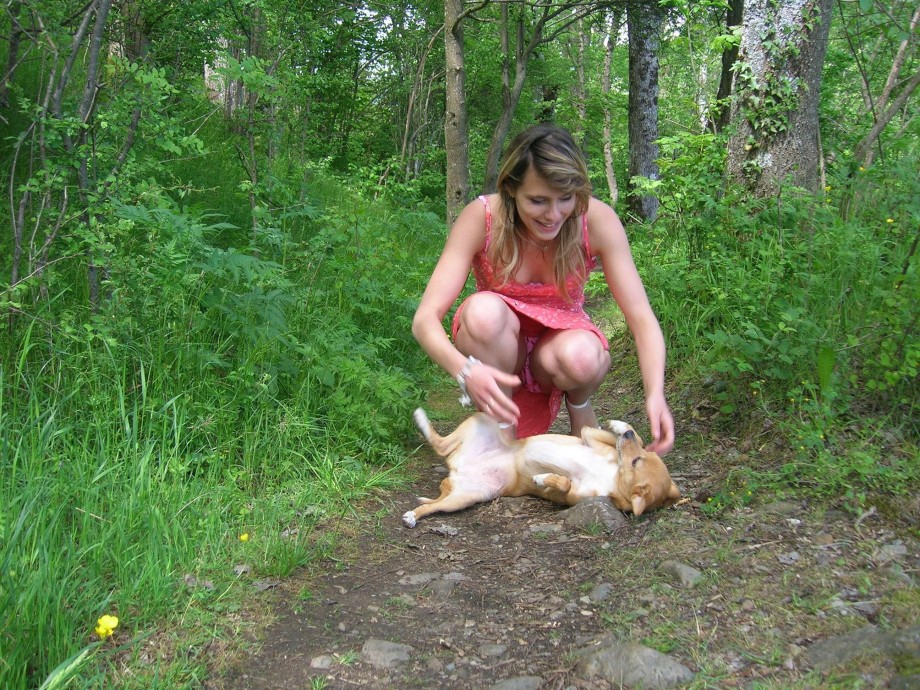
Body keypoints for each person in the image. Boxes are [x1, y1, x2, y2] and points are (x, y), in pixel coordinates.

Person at [412, 124, 674, 454]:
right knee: (482, 312)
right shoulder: (481, 218)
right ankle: (501, 434)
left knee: (582, 357)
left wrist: (655, 395)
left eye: (565, 199)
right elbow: (424, 320)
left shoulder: (596, 221)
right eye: (537, 200)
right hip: (500, 348)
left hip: (558, 351)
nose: (553, 215)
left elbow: (641, 318)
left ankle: (580, 409)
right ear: (510, 188)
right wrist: (467, 371)